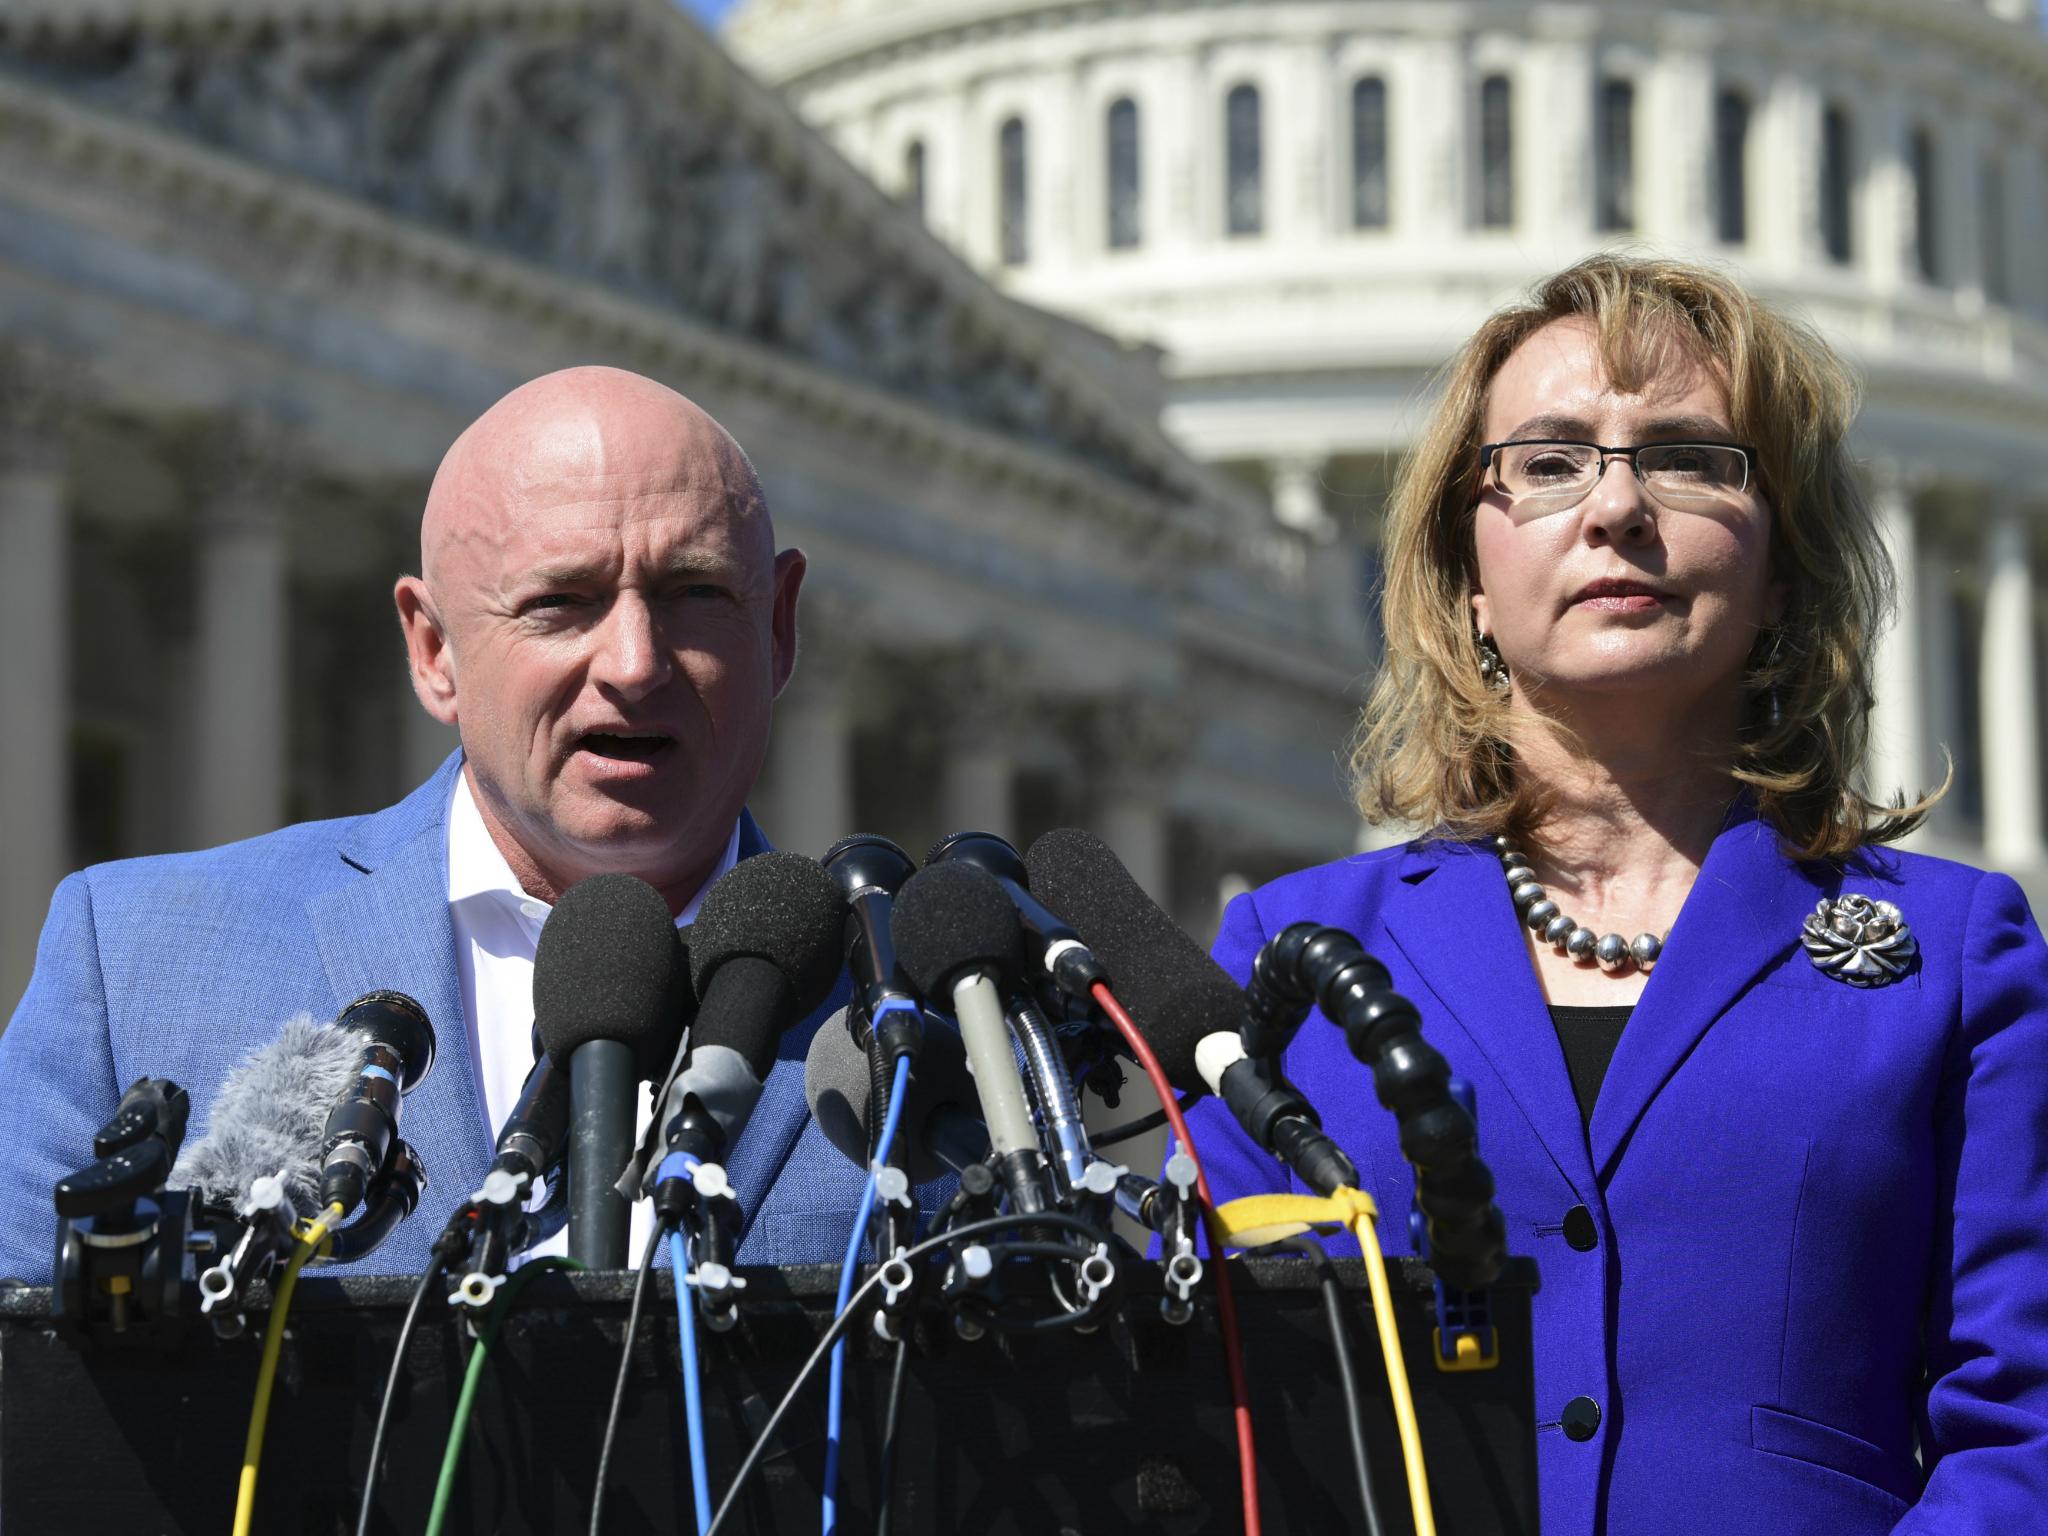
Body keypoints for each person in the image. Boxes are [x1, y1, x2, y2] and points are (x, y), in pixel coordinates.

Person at [1187, 257, 2048, 1533]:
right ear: (1466, 577)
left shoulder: (1950, 956)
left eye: (1689, 457)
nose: (1616, 509)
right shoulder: (1296, 955)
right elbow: (1214, 1416)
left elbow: (2020, 1431)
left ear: (1780, 570)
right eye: (1546, 461)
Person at [0, 366, 867, 1278]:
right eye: (561, 601)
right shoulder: (137, 958)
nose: (634, 662)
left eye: (694, 592)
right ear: (434, 651)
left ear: (777, 627)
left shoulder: (935, 1025)